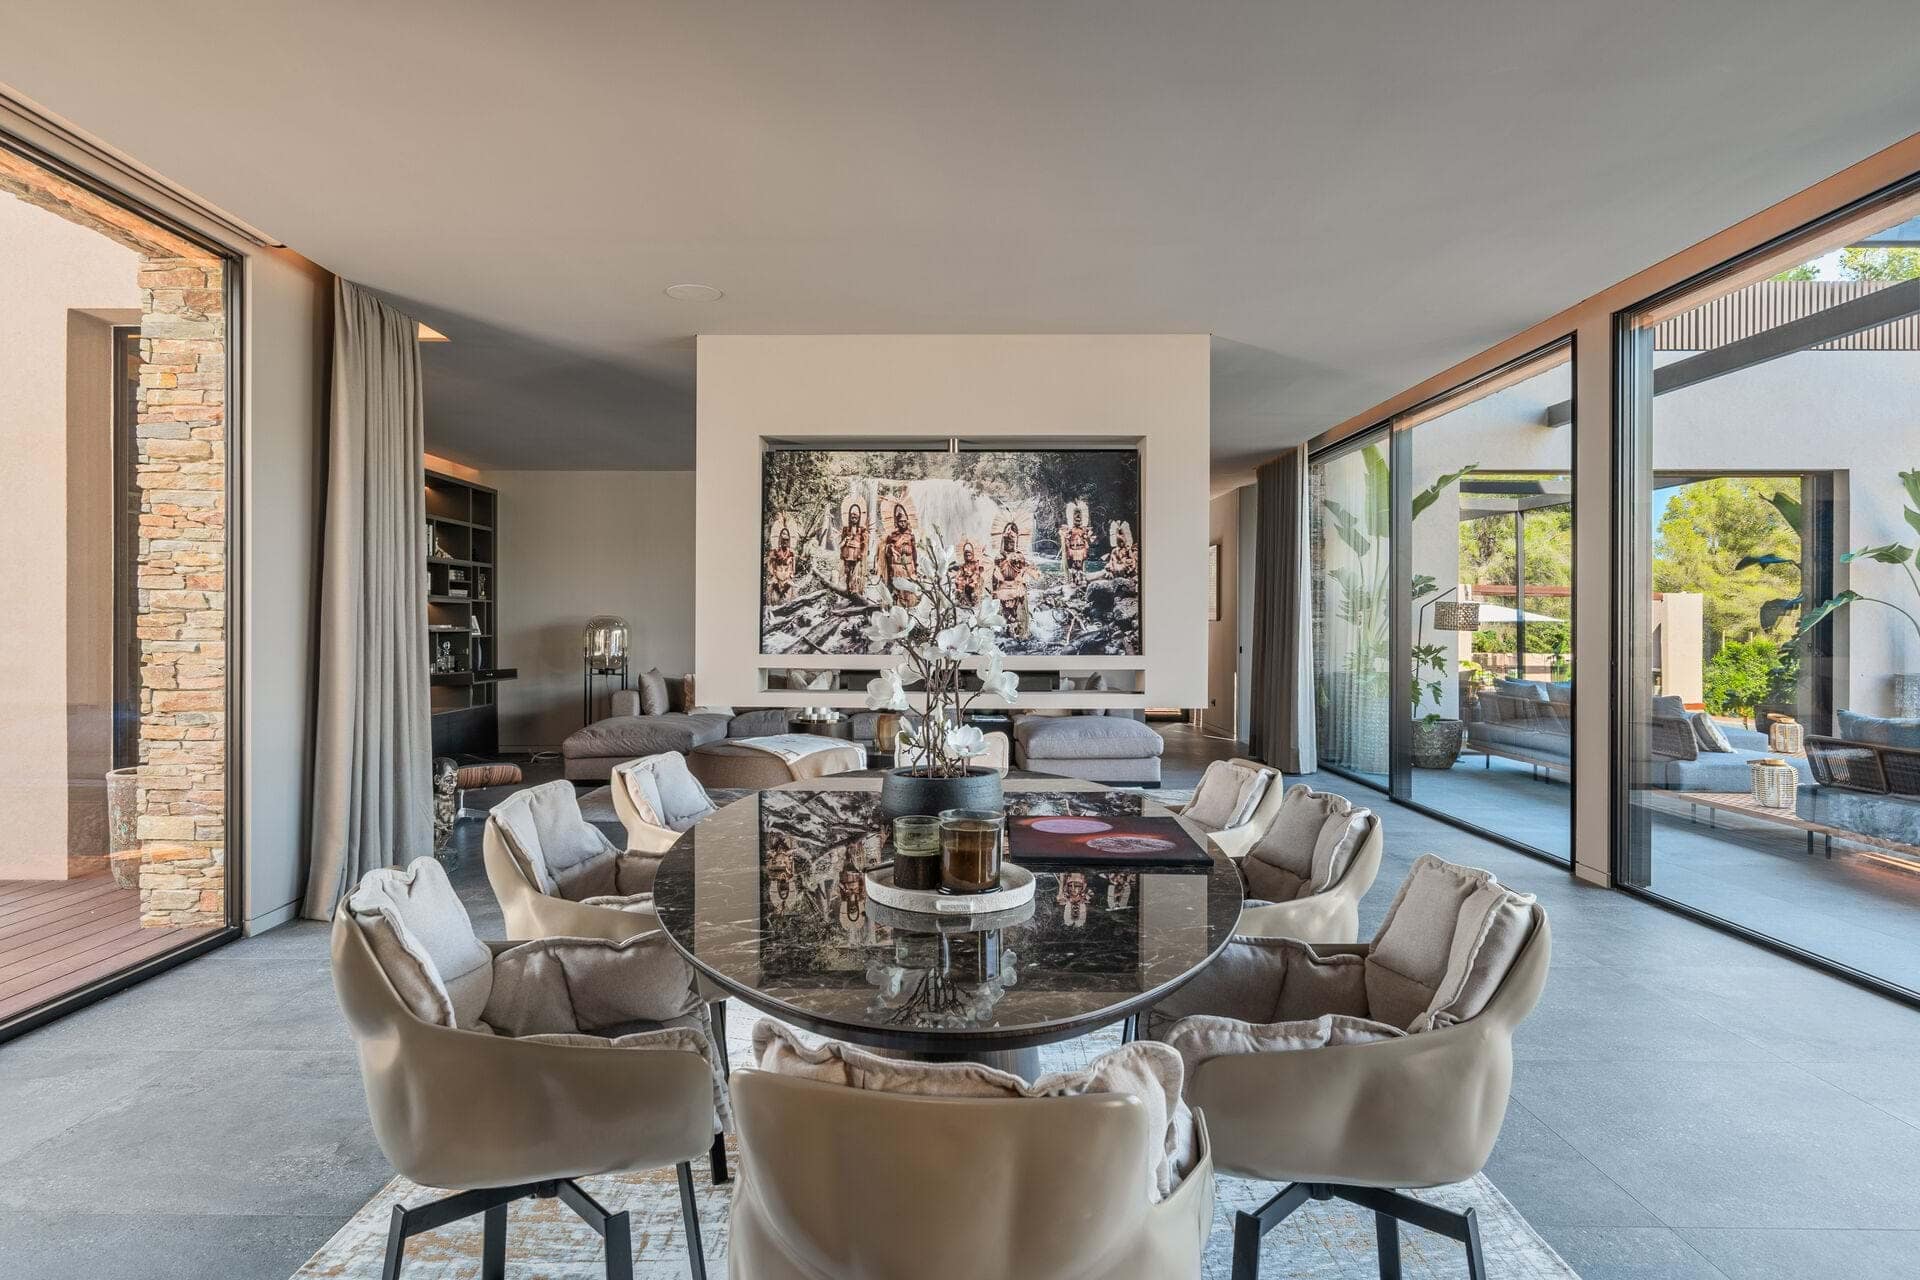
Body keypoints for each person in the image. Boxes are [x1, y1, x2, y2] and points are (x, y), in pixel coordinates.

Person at [992, 522, 1032, 634]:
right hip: (1003, 588)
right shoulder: (999, 557)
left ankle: (1021, 629)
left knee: (1019, 609)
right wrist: (994, 590)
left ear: (1015, 543)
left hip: (1016, 587)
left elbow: (1022, 571)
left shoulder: (1018, 556)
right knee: (1005, 612)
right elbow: (995, 576)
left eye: (1011, 542)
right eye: (1007, 542)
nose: (1009, 544)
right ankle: (1004, 628)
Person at [878, 502, 920, 607]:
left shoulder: (911, 536)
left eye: (904, 521)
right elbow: (887, 552)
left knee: (908, 586)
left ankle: (909, 605)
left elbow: (914, 551)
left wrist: (915, 565)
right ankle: (897, 605)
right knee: (897, 587)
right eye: (900, 521)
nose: (903, 524)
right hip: (896, 567)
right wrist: (890, 549)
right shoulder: (892, 536)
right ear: (896, 522)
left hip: (908, 567)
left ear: (907, 522)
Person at [838, 503, 869, 595]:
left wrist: (862, 552)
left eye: (856, 518)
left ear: (859, 518)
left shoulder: (862, 530)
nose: (854, 519)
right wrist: (845, 541)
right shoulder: (846, 529)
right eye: (852, 518)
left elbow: (864, 542)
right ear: (849, 518)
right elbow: (842, 541)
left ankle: (855, 588)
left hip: (857, 552)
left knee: (856, 571)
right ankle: (848, 588)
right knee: (847, 570)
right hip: (848, 552)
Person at [1060, 506, 1094, 588]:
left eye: (1079, 516)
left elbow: (1087, 539)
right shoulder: (1071, 530)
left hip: (1081, 550)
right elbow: (1066, 538)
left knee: (1080, 565)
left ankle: (1081, 579)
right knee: (1073, 565)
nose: (1078, 518)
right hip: (1073, 550)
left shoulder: (1083, 530)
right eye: (1076, 516)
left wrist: (1088, 537)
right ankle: (1073, 580)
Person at [765, 524, 797, 603]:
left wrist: (792, 573)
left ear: (789, 540)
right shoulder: (775, 551)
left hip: (787, 575)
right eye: (783, 540)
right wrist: (772, 573)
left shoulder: (791, 552)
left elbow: (793, 564)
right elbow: (770, 562)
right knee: (771, 586)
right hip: (777, 574)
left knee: (792, 588)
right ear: (780, 540)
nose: (785, 542)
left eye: (786, 540)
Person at [951, 541, 986, 607]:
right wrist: (957, 577)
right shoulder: (964, 565)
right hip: (965, 579)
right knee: (960, 583)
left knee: (971, 586)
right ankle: (962, 598)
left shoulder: (975, 563)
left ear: (972, 555)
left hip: (973, 579)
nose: (967, 557)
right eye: (966, 555)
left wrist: (972, 576)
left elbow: (977, 572)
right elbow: (960, 572)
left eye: (969, 555)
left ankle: (972, 599)